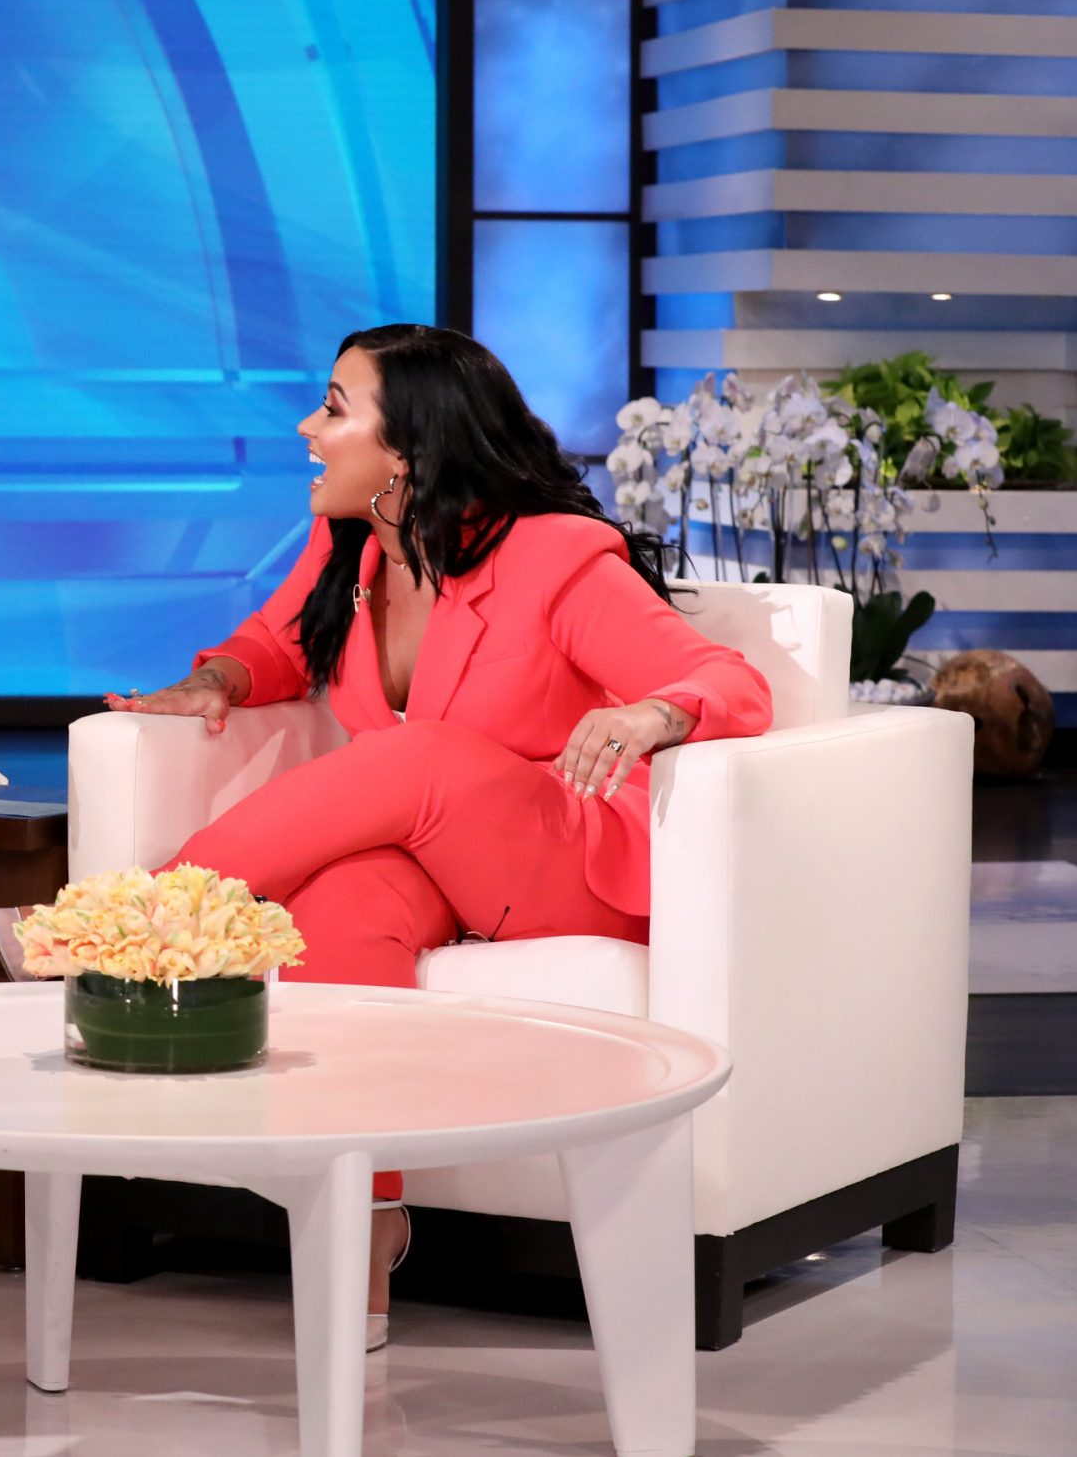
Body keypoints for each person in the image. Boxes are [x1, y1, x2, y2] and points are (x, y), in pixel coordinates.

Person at [106, 325, 772, 1350]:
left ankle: (126, 925)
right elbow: (275, 644)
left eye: (335, 408)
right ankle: (365, 1226)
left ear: (408, 450)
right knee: (339, 907)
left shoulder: (552, 555)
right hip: (435, 860)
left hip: (564, 853)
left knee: (416, 758)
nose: (307, 426)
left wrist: (650, 713)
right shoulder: (356, 550)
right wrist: (218, 681)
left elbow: (731, 681)